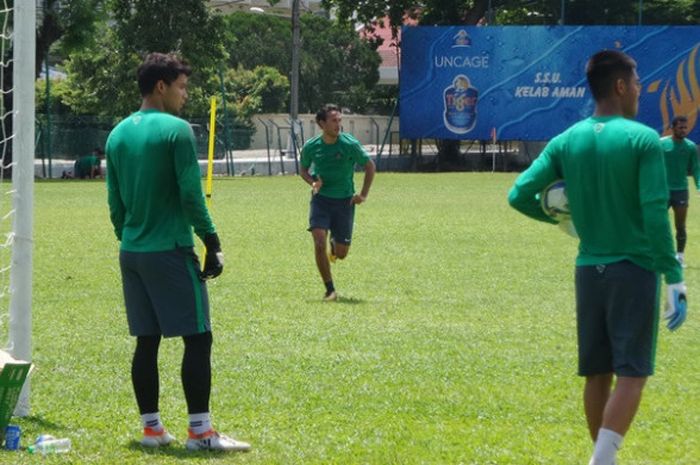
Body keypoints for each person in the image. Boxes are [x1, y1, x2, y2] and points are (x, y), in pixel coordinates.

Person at [508, 50, 687, 465]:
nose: (641, 90)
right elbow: (654, 212)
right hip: (634, 269)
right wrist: (674, 277)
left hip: (589, 269)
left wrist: (562, 221)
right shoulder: (643, 139)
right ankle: (600, 461)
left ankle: (600, 459)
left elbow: (518, 194)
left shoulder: (567, 139)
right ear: (621, 86)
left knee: (597, 373)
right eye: (638, 82)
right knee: (633, 373)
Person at [106, 52, 250, 452]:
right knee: (198, 337)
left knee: (147, 340)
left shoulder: (116, 134)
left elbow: (115, 204)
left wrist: (131, 235)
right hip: (170, 249)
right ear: (161, 86)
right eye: (182, 86)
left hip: (132, 252)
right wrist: (212, 240)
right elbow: (191, 194)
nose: (186, 95)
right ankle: (201, 433)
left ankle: (151, 430)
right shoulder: (177, 130)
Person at [300, 104, 376, 301]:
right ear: (321, 123)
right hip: (321, 201)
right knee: (318, 241)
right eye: (334, 121)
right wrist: (314, 182)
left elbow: (370, 166)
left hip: (344, 202)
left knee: (341, 254)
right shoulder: (311, 147)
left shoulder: (349, 144)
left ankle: (335, 246)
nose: (338, 125)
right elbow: (303, 170)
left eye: (339, 120)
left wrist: (363, 195)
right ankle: (330, 289)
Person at [661, 115, 700, 267]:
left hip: (681, 192)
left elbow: (696, 169)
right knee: (658, 224)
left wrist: (699, 185)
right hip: (662, 192)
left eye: (685, 127)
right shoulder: (661, 144)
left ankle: (680, 257)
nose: (684, 130)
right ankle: (659, 254)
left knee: (680, 226)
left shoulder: (690, 147)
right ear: (672, 127)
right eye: (680, 127)